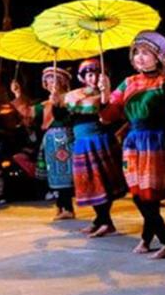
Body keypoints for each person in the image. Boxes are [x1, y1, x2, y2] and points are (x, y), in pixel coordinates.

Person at [100, 31, 165, 259]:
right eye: (137, 53)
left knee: (148, 195)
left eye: (146, 53)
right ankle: (147, 237)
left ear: (159, 58)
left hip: (157, 143)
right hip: (134, 144)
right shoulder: (127, 83)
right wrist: (104, 94)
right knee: (138, 194)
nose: (140, 57)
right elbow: (108, 117)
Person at [59, 59, 127, 237]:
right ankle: (100, 220)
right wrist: (54, 101)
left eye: (97, 74)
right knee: (89, 183)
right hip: (82, 143)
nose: (93, 77)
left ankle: (105, 221)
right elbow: (62, 117)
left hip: (100, 141)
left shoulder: (108, 95)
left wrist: (106, 95)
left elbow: (111, 117)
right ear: (82, 77)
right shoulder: (74, 96)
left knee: (102, 183)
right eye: (89, 74)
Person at [11, 68, 75, 219]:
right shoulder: (45, 104)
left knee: (65, 174)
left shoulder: (71, 100)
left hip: (65, 140)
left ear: (63, 82)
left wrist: (58, 102)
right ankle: (61, 206)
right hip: (51, 142)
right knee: (54, 175)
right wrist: (18, 94)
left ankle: (68, 207)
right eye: (49, 81)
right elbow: (27, 112)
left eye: (54, 80)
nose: (51, 83)